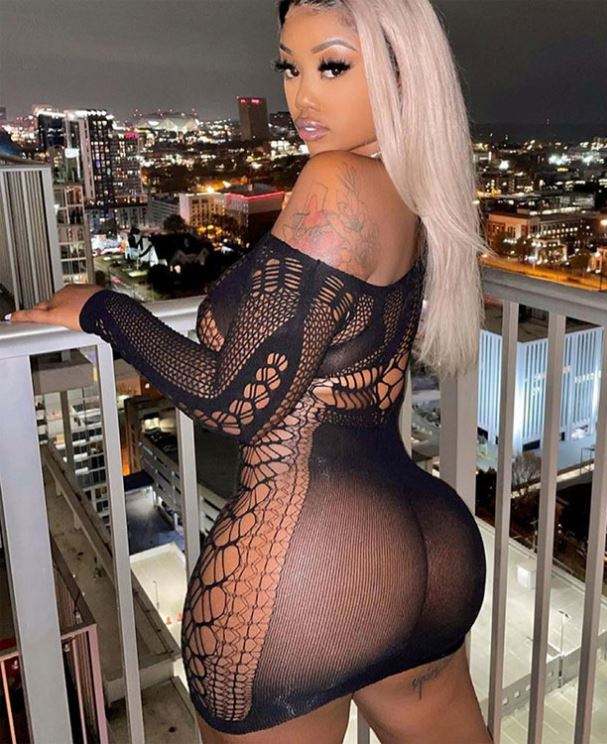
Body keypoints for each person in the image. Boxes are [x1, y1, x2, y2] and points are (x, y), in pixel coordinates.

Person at [8, 1, 493, 741]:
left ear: (404, 70)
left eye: (333, 65)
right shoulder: (414, 185)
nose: (302, 96)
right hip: (429, 547)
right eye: (290, 68)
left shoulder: (337, 182)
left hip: (307, 566)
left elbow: (238, 400)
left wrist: (102, 310)